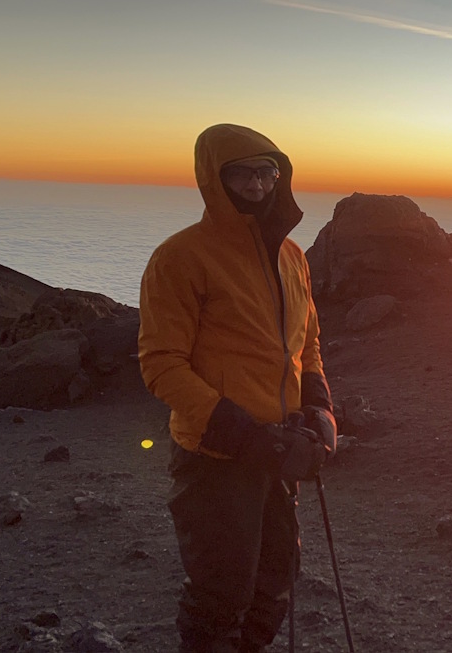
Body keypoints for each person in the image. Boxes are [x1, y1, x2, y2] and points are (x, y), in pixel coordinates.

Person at [138, 124, 338, 652]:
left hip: (279, 451)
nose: (257, 185)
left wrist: (319, 409)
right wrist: (242, 432)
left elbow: (306, 344)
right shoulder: (180, 258)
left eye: (266, 172)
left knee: (274, 585)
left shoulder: (292, 256)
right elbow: (161, 363)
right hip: (216, 457)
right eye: (241, 174)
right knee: (221, 595)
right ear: (213, 179)